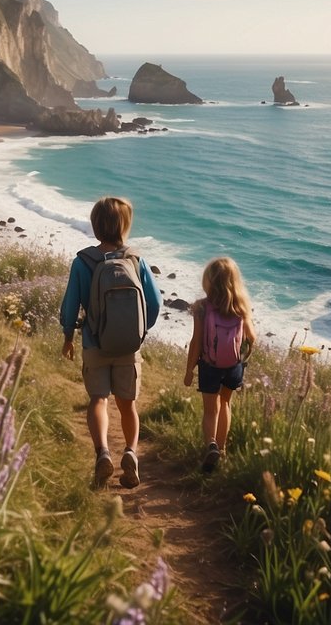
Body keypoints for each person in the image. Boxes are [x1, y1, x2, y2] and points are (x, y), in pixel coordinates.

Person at [59, 196, 162, 488]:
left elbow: (70, 306)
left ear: (95, 226)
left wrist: (68, 335)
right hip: (129, 347)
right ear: (125, 226)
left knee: (98, 400)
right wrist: (139, 331)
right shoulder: (136, 259)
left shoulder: (83, 262)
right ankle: (130, 452)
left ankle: (103, 452)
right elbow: (155, 303)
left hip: (95, 343)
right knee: (128, 405)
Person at [184, 257, 256, 473]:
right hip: (233, 366)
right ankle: (222, 449)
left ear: (208, 281)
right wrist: (243, 357)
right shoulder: (241, 307)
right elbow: (252, 338)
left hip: (209, 365)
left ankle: (211, 446)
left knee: (209, 410)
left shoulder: (202, 308)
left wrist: (189, 370)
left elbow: (196, 342)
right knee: (225, 404)